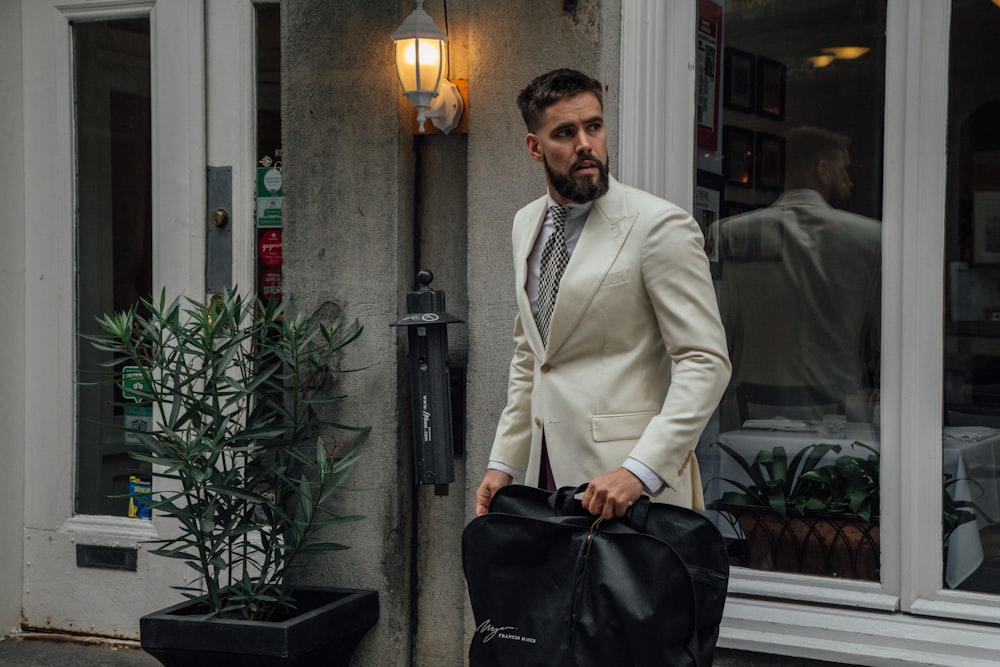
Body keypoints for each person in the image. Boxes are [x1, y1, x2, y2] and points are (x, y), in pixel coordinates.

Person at [475, 68, 732, 520]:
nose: (585, 145)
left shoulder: (658, 225)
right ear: (535, 147)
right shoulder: (525, 223)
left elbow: (704, 361)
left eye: (593, 126)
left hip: (630, 487)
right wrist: (506, 461)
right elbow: (532, 355)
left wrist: (639, 470)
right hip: (545, 480)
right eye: (565, 133)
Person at [714, 126, 881, 430]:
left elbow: (720, 329)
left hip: (749, 406)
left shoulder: (728, 233)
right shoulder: (871, 238)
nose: (850, 180)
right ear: (823, 170)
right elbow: (881, 336)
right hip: (842, 408)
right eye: (844, 170)